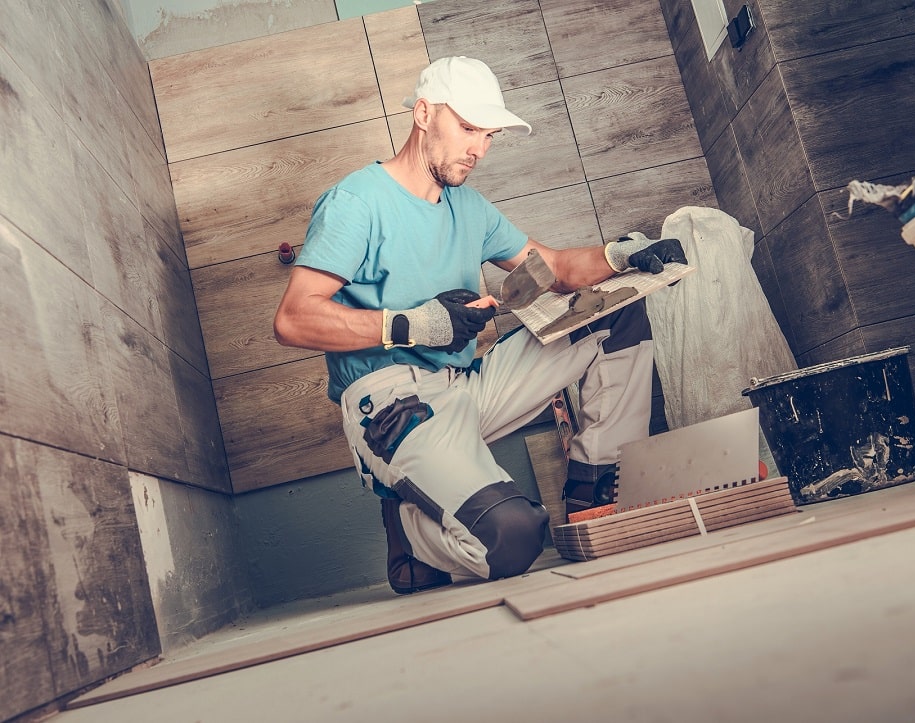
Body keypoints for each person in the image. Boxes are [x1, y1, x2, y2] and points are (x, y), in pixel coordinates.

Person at [274, 56, 686, 595]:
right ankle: (409, 535)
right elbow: (293, 318)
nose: (479, 149)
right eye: (467, 129)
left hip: (470, 385)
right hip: (395, 404)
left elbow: (556, 269)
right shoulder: (357, 203)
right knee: (513, 538)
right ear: (424, 114)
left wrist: (622, 256)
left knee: (615, 315)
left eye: (488, 135)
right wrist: (416, 324)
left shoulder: (469, 207)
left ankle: (596, 494)